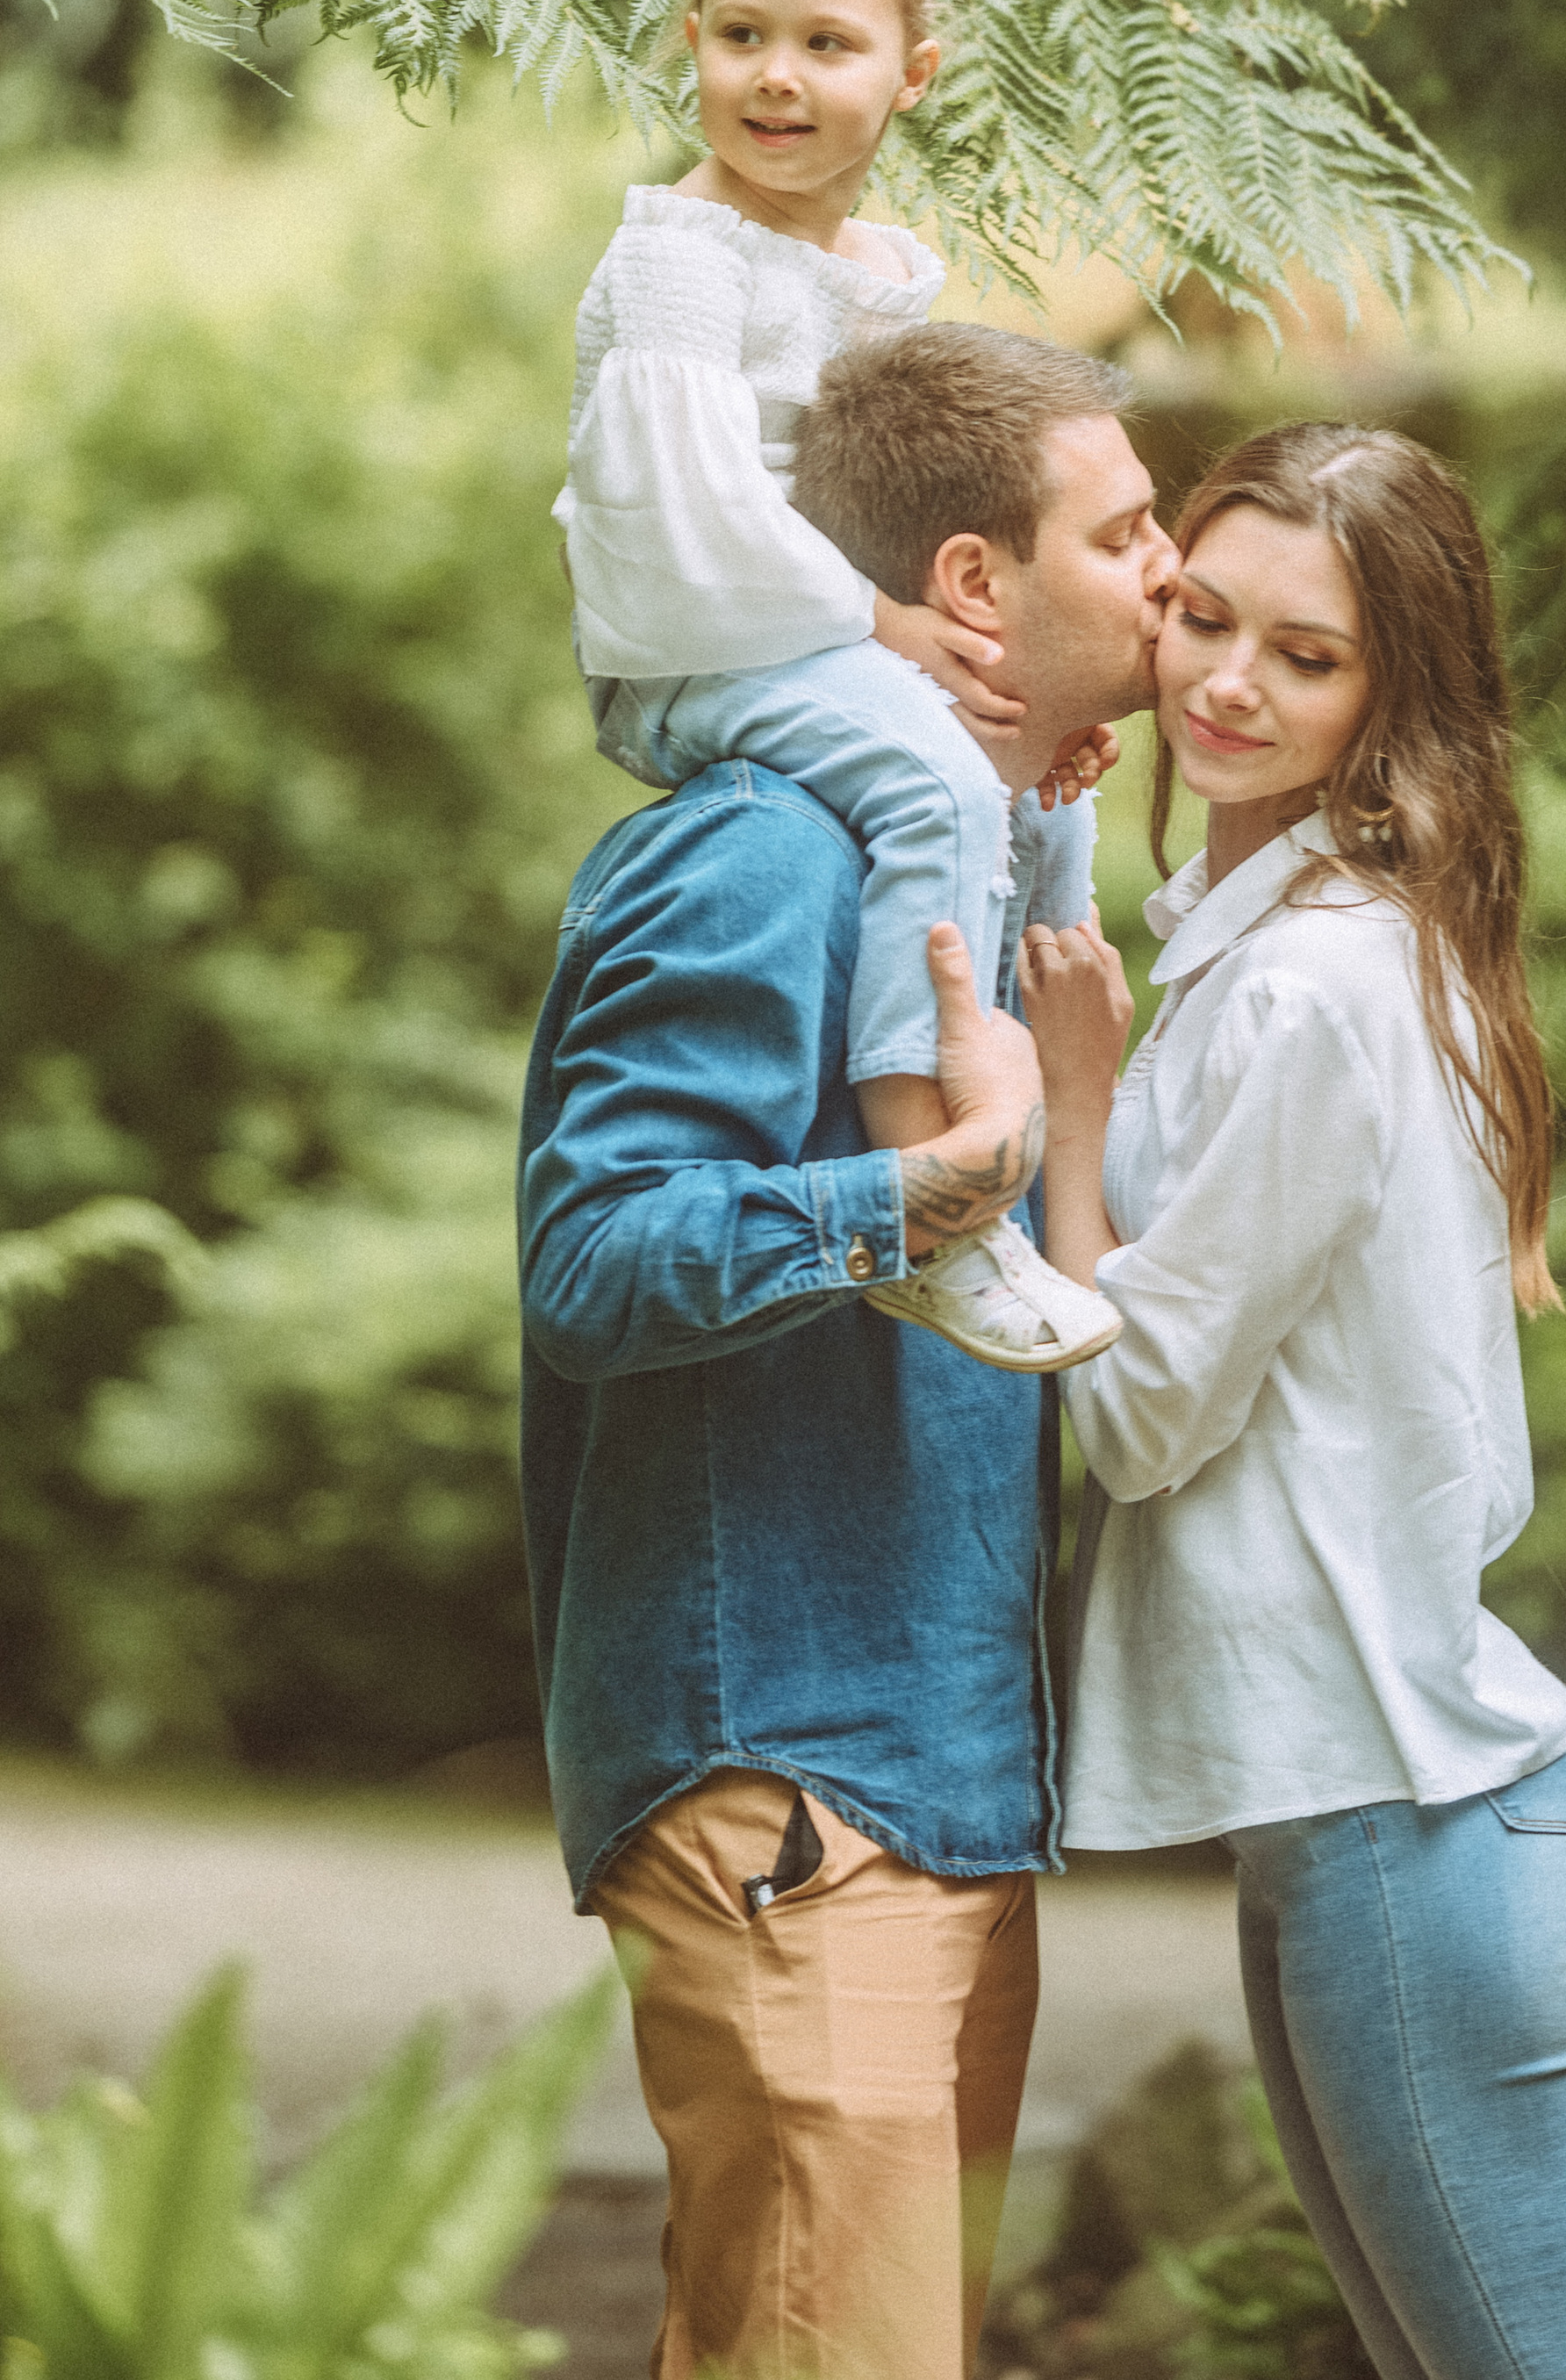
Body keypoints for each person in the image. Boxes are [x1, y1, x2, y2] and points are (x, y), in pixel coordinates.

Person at [519, 321, 1177, 2380]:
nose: (1167, 572)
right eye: (1132, 528)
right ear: (975, 582)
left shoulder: (959, 851)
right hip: (795, 1780)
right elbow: (596, 1257)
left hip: (942, 1794)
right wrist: (925, 1199)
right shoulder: (759, 849)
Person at [1020, 424, 1566, 2380]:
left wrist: (1064, 1115)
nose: (1224, 682)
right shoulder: (1269, 945)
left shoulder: (1315, 988)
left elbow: (1133, 1418)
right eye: (1201, 619)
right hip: (1367, 1824)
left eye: (1303, 657)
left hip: (1421, 1824)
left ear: (1396, 688)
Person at [556, 0, 1115, 1372]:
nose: (777, 80)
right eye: (743, 37)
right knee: (941, 780)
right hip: (706, 646)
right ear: (693, 37)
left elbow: (903, 497)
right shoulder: (676, 257)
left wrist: (1024, 683)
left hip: (839, 636)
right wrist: (895, 635)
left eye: (826, 45)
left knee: (1041, 793)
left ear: (912, 72)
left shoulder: (886, 273)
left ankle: (1056, 1098)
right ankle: (932, 1186)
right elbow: (680, 511)